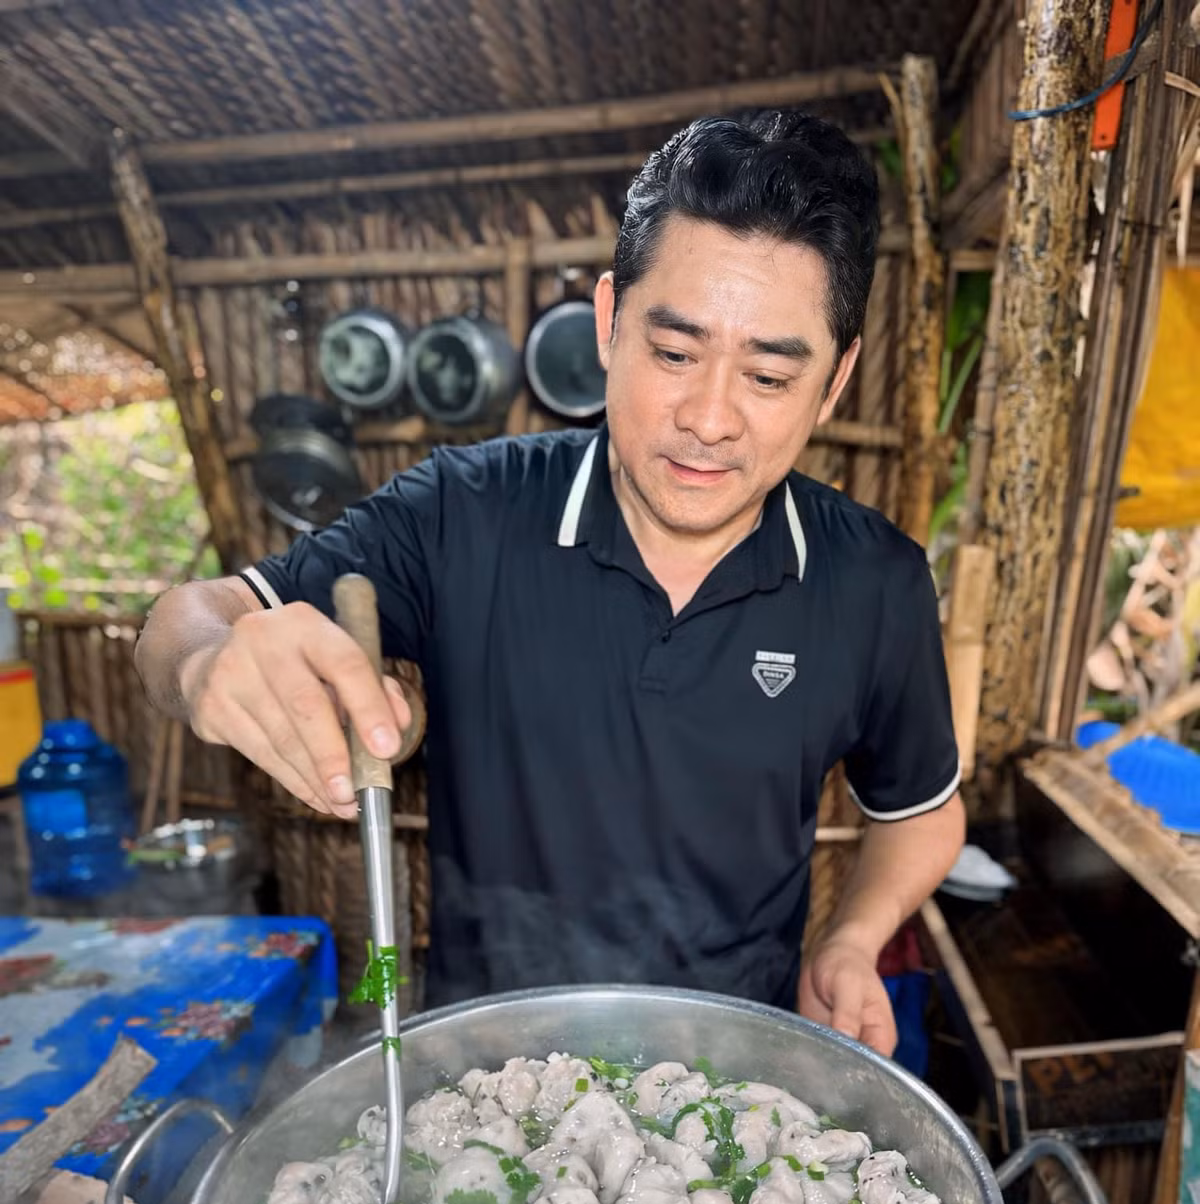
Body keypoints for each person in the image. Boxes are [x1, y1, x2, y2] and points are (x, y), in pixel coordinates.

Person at [136, 110, 965, 1054]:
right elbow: (182, 621)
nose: (709, 418)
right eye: (674, 353)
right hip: (480, 1076)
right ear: (610, 322)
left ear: (837, 378)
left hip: (731, 1081)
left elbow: (922, 813)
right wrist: (208, 664)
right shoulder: (462, 512)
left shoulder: (873, 580)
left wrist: (852, 941)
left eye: (769, 378)